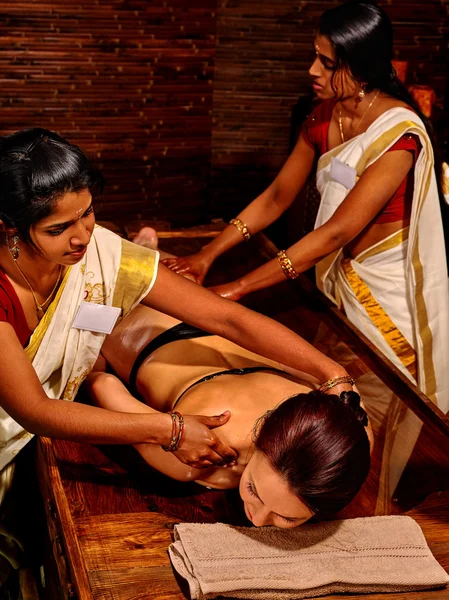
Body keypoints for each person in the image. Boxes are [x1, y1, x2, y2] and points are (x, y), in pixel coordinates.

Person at [0, 126, 356, 581]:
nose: (83, 236)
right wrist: (166, 429)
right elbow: (33, 409)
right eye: (58, 228)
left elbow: (228, 320)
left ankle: (144, 262)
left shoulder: (100, 252)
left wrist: (333, 371)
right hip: (18, 419)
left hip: (125, 351)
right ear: (8, 227)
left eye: (88, 213)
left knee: (110, 319)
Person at [161, 0, 449, 411]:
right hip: (334, 284)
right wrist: (208, 255)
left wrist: (239, 288)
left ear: (360, 64)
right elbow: (278, 196)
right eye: (315, 57)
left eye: (327, 63)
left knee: (382, 406)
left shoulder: (398, 133)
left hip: (384, 298)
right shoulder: (321, 117)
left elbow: (337, 231)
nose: (313, 71)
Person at [87, 304, 371, 528]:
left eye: (288, 518)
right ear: (261, 441)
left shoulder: (348, 418)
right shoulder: (195, 457)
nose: (257, 520)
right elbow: (103, 384)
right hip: (116, 320)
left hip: (210, 311)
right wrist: (90, 358)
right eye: (253, 490)